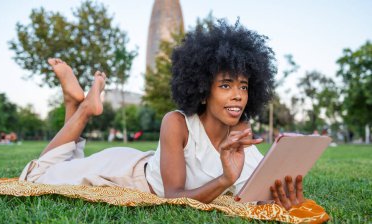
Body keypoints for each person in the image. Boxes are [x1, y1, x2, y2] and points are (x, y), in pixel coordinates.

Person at [19, 21, 305, 210]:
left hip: (141, 161)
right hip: (122, 174)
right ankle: (83, 109)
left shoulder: (241, 130)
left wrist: (280, 198)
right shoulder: (177, 122)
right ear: (204, 91)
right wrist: (224, 180)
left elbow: (253, 192)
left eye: (243, 86)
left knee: (65, 161)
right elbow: (173, 196)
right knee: (38, 175)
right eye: (226, 85)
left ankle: (74, 101)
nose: (238, 95)